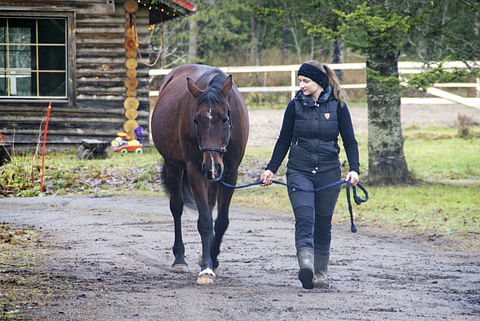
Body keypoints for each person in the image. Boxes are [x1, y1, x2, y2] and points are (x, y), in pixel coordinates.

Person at [260, 61, 360, 289]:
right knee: (305, 218)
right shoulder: (294, 106)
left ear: (319, 82)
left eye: (306, 81)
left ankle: (321, 272)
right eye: (300, 81)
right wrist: (271, 169)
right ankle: (306, 266)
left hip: (329, 172)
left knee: (323, 223)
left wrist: (354, 169)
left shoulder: (338, 106)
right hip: (299, 171)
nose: (301, 85)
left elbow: (350, 141)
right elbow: (283, 140)